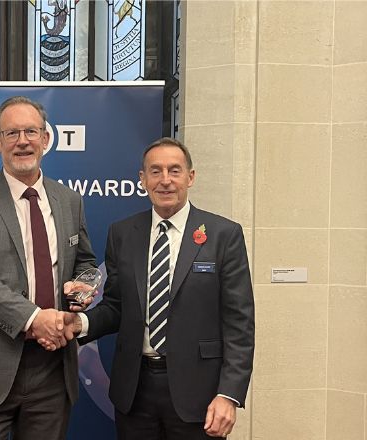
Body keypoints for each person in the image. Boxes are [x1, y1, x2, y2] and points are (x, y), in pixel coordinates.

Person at [71, 137, 254, 439]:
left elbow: (240, 322)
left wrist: (229, 394)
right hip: (134, 391)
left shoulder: (224, 235)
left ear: (190, 177)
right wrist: (79, 323)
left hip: (201, 394)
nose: (165, 181)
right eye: (155, 172)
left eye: (175, 171)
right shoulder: (122, 233)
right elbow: (116, 305)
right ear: (143, 180)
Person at [0, 96, 96, 440]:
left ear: (45, 139)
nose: (22, 141)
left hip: (52, 371)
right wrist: (34, 318)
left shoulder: (69, 200)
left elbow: (84, 260)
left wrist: (82, 288)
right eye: (11, 133)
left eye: (31, 131)